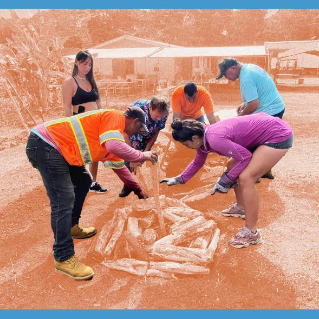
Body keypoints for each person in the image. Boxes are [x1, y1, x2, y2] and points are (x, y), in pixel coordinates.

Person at [26, 107, 158, 280]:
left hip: (61, 151)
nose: (134, 136)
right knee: (63, 198)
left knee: (83, 181)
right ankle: (63, 257)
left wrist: (140, 191)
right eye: (137, 130)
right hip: (46, 144)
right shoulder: (115, 118)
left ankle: (71, 227)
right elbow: (114, 144)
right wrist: (141, 155)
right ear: (134, 121)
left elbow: (122, 171)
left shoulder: (111, 144)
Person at [160, 113, 293, 249]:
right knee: (231, 166)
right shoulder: (203, 137)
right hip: (266, 131)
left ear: (194, 138)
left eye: (186, 144)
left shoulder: (215, 139)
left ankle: (252, 231)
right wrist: (180, 179)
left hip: (278, 135)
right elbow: (198, 161)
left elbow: (245, 157)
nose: (186, 147)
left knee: (246, 178)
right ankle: (241, 207)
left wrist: (225, 180)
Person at [216, 57, 286, 179]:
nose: (226, 78)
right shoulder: (250, 67)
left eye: (225, 74)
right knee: (265, 143)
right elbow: (257, 93)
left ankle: (252, 174)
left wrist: (238, 119)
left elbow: (254, 105)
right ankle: (265, 170)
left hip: (269, 111)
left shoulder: (246, 79)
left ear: (232, 68)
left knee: (252, 142)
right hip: (276, 107)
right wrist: (245, 104)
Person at [62, 50, 106, 193]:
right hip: (79, 123)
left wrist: (102, 119)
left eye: (89, 64)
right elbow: (67, 106)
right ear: (76, 62)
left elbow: (98, 102)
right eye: (84, 63)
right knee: (81, 154)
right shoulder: (70, 82)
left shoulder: (91, 81)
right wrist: (70, 125)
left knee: (96, 153)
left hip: (95, 123)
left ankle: (92, 182)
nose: (87, 67)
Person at [119, 96, 170, 197]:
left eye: (162, 116)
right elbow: (125, 132)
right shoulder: (137, 108)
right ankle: (127, 186)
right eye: (157, 116)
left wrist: (145, 152)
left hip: (147, 138)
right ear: (150, 108)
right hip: (132, 137)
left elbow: (155, 133)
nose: (159, 118)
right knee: (128, 163)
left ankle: (155, 188)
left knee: (148, 159)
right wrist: (132, 157)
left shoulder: (163, 114)